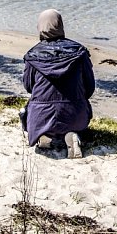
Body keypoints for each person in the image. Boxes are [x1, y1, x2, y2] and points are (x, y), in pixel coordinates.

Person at [22, 9, 95, 159]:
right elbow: (90, 87)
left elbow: (28, 87)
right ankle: (72, 134)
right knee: (80, 110)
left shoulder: (32, 55)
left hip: (40, 116)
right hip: (75, 115)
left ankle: (43, 135)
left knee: (26, 111)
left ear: (40, 27)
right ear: (60, 25)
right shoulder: (79, 52)